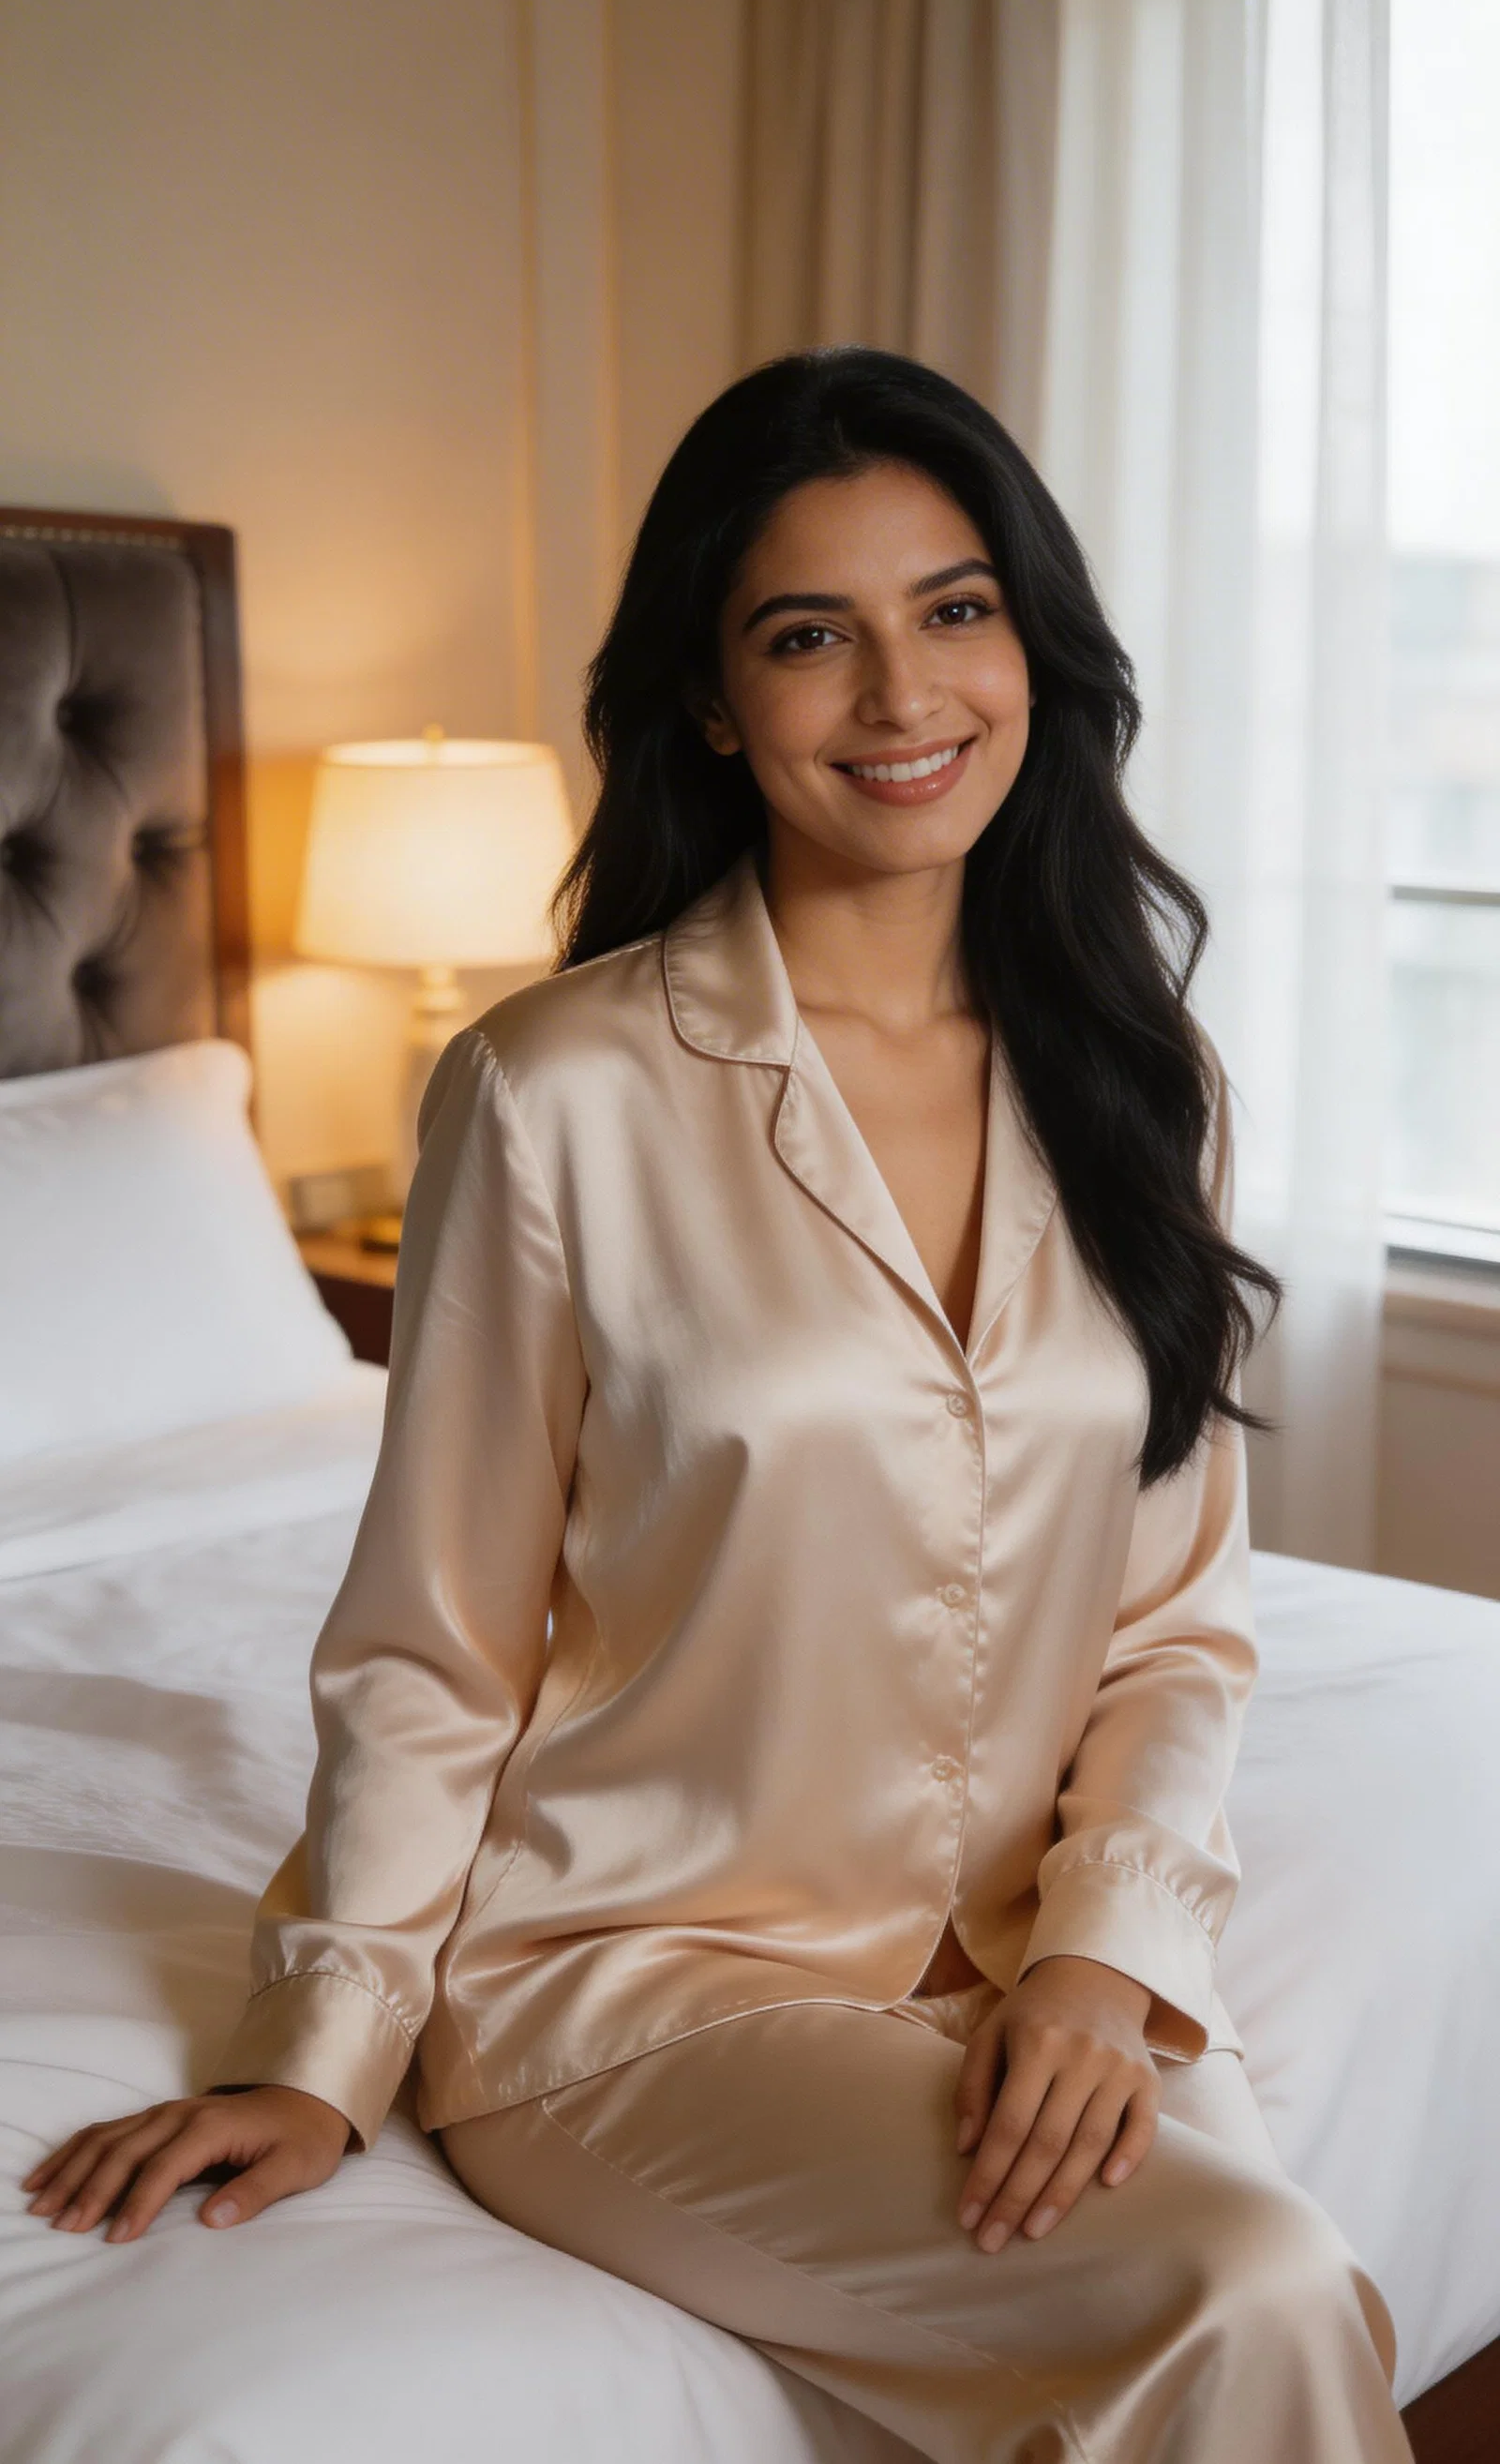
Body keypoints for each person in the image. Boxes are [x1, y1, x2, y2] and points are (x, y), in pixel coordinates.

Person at [24, 351, 1413, 2463]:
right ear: (706, 699)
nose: (897, 691)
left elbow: (1173, 1622)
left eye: (952, 609)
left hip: (1017, 1963)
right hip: (640, 1984)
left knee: (1254, 2305)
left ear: (1029, 643)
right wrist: (320, 2048)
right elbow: (436, 1636)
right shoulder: (550, 1090)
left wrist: (1099, 1956)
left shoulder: (1141, 1080)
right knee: (1255, 2294)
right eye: (804, 635)